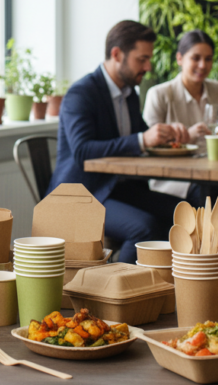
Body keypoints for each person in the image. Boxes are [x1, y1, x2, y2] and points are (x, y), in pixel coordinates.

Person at [49, 20, 186, 265]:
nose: (148, 67)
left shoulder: (129, 93)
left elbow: (140, 137)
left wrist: (167, 136)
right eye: (142, 59)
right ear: (116, 54)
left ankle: (162, 283)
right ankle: (121, 287)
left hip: (115, 189)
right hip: (80, 194)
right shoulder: (81, 93)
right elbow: (83, 151)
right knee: (143, 228)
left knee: (182, 212)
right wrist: (143, 139)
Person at [143, 29, 218, 281]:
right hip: (175, 180)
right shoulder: (160, 94)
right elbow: (150, 146)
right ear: (180, 58)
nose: (203, 65)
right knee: (214, 196)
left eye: (208, 59)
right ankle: (212, 270)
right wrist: (185, 136)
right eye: (196, 58)